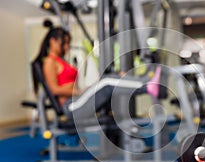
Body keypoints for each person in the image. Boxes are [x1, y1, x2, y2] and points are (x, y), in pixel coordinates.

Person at [32, 21, 161, 119]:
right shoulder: (49, 62)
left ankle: (146, 83)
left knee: (109, 78)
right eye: (64, 43)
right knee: (106, 82)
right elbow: (54, 89)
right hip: (71, 106)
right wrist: (79, 91)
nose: (67, 47)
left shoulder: (61, 61)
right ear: (53, 41)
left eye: (67, 43)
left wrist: (85, 90)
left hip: (78, 98)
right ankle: (148, 86)